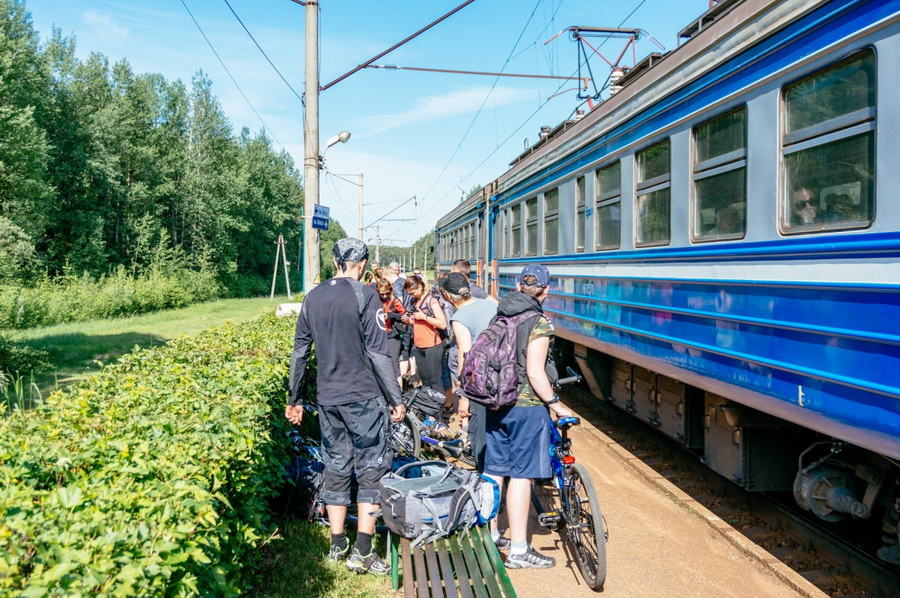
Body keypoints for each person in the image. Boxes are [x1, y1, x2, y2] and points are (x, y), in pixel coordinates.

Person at [286, 237, 406, 575]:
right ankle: (363, 551)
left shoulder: (313, 297)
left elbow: (299, 353)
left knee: (336, 466)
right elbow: (379, 352)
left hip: (328, 399)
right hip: (364, 396)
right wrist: (395, 398)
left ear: (336, 261)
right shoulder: (365, 294)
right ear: (363, 263)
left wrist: (294, 398)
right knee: (371, 468)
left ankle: (337, 544)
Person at [483, 264, 573, 569]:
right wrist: (555, 403)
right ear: (545, 291)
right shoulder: (539, 322)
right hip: (525, 406)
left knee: (495, 469)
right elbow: (535, 373)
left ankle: (491, 534)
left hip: (496, 403)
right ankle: (520, 550)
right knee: (521, 476)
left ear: (520, 287)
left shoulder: (501, 313)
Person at [441, 272, 497, 472]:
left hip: (481, 382)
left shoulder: (460, 317)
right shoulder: (491, 305)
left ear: (448, 296)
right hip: (503, 378)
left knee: (480, 435)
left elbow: (466, 356)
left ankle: (488, 481)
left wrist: (464, 395)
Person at [402, 276, 447, 400]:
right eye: (409, 293)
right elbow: (418, 323)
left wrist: (424, 317)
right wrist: (409, 321)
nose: (411, 295)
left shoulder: (432, 301)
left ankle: (437, 414)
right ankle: (429, 411)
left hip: (433, 346)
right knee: (425, 382)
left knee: (435, 382)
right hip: (419, 346)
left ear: (420, 287)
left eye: (412, 292)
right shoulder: (414, 302)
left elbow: (442, 324)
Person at [385, 262, 415, 385]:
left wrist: (391, 314)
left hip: (401, 321)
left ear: (389, 276)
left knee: (402, 351)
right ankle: (411, 377)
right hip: (409, 318)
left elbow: (399, 305)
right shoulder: (404, 281)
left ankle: (401, 379)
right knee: (409, 350)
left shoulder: (396, 286)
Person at [376, 278, 405, 387]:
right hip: (379, 335)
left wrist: (391, 315)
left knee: (394, 364)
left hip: (392, 336)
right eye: (381, 294)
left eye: (386, 294)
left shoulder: (394, 301)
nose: (384, 296)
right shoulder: (375, 300)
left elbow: (405, 316)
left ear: (390, 291)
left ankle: (399, 391)